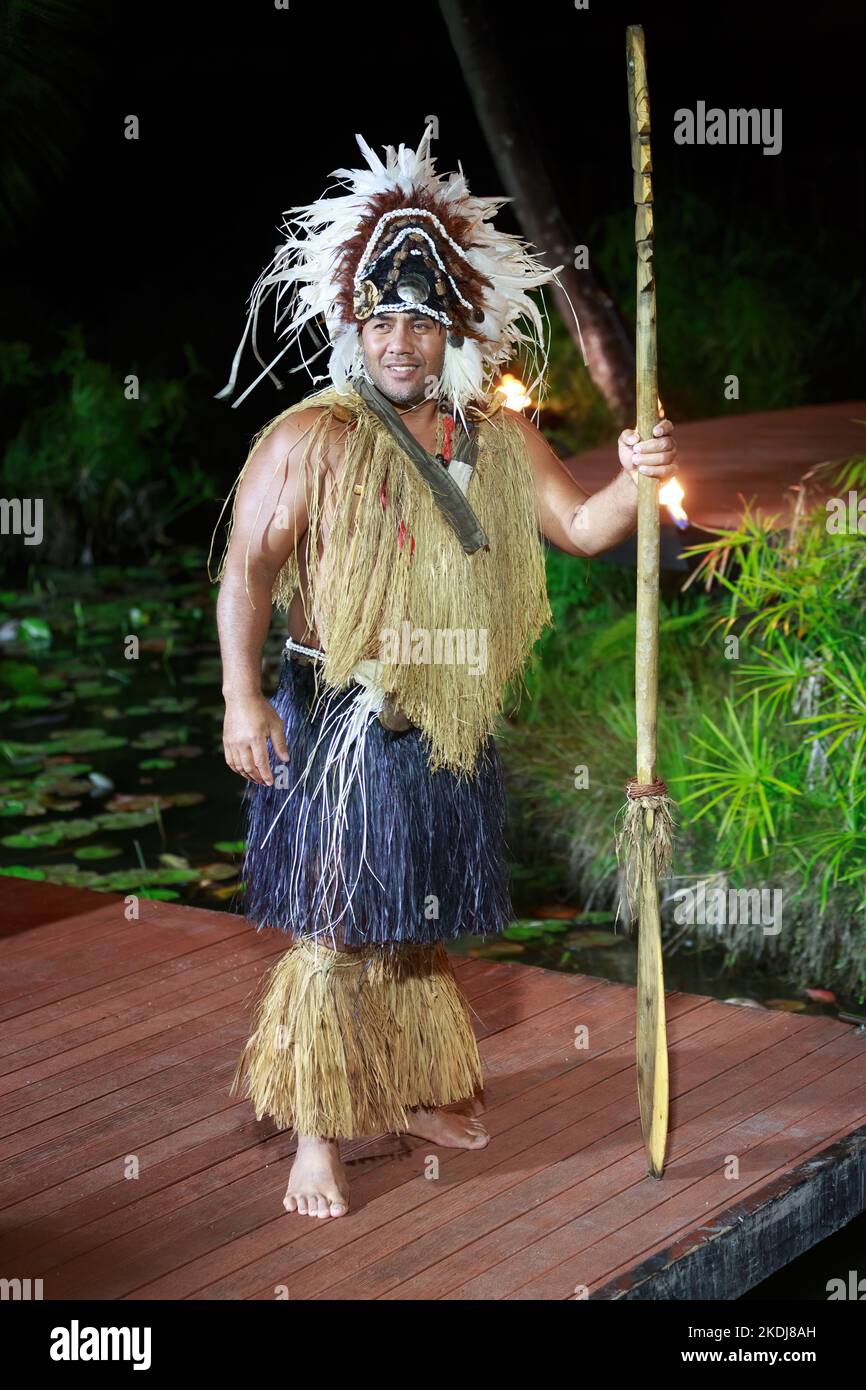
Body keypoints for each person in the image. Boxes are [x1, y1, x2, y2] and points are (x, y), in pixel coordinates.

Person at [211, 128, 678, 1221]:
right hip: (343, 717)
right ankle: (318, 1137)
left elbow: (579, 525)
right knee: (334, 930)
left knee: (416, 926)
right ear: (353, 325)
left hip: (446, 720)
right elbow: (246, 571)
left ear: (456, 328)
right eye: (380, 318)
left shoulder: (493, 438)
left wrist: (641, 474)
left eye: (420, 319)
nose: (399, 340)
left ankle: (409, 1086)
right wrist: (240, 696)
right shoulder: (310, 438)